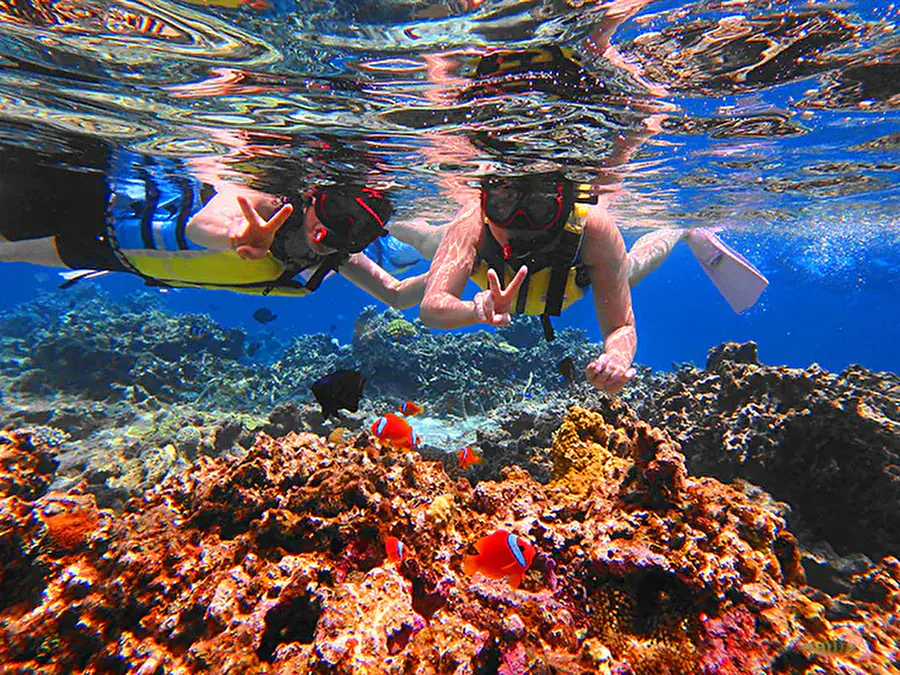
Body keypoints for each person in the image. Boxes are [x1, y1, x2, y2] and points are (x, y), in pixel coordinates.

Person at [408, 170, 767, 395]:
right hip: (490, 276)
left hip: (572, 281)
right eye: (503, 201)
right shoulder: (471, 224)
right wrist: (474, 308)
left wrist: (616, 357)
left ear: (565, 204)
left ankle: (680, 229)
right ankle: (391, 223)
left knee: (632, 267)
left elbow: (621, 325)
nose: (520, 221)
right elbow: (431, 307)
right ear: (487, 202)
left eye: (541, 204)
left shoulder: (592, 229)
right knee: (427, 241)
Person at [0, 142, 428, 308]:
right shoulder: (268, 202)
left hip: (113, 255)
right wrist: (240, 236)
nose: (335, 235)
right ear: (312, 197)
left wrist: (459, 264)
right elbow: (202, 224)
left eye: (360, 232)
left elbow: (396, 295)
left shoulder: (333, 256)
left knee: (6, 251)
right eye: (336, 212)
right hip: (97, 208)